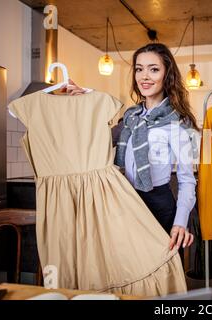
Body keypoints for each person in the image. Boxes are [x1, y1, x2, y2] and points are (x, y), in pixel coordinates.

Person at [62, 43, 197, 251]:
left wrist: (180, 222)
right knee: (130, 270)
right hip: (126, 200)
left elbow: (187, 180)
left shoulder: (177, 123)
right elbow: (99, 139)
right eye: (139, 69)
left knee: (162, 272)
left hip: (159, 205)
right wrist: (84, 100)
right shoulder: (129, 118)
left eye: (154, 69)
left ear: (167, 74)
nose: (144, 76)